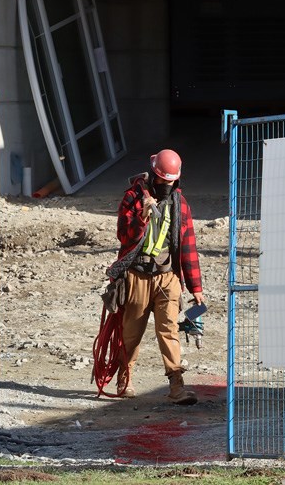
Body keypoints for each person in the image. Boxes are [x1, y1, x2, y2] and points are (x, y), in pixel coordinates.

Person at [107, 148, 205, 405]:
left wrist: (196, 288)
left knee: (169, 331)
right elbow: (123, 236)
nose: (166, 185)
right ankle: (124, 380)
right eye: (162, 180)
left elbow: (187, 246)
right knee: (131, 334)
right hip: (137, 277)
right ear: (153, 174)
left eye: (171, 181)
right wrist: (141, 220)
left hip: (167, 278)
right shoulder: (133, 198)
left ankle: (177, 387)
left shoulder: (180, 204)